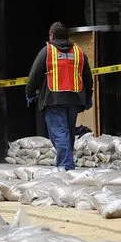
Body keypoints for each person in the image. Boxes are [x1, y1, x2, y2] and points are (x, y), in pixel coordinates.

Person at [26, 22, 93, 170]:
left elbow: (34, 74)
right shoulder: (78, 52)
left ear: (52, 35)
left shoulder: (47, 51)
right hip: (74, 99)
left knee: (59, 133)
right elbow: (88, 76)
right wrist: (88, 97)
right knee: (67, 133)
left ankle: (65, 165)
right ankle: (67, 162)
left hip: (53, 98)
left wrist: (29, 93)